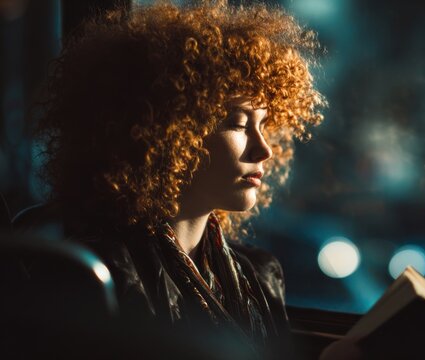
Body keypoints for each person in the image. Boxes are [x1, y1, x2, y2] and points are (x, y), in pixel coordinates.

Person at [18, 1, 329, 358]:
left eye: (264, 125)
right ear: (167, 132)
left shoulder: (259, 277)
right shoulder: (94, 275)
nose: (264, 150)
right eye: (239, 124)